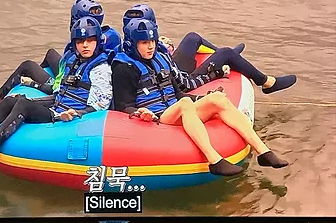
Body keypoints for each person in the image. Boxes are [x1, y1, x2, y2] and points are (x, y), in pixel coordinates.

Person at [111, 18, 289, 176]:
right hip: (158, 117)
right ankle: (214, 160)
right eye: (144, 42)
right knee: (185, 103)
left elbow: (178, 93)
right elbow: (123, 104)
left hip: (176, 110)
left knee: (217, 100)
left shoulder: (162, 58)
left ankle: (264, 152)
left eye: (152, 41)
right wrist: (140, 113)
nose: (150, 46)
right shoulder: (123, 67)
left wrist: (205, 98)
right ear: (132, 43)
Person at [0, 16, 113, 166]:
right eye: (80, 41)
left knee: (24, 105)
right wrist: (33, 85)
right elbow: (60, 89)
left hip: (67, 113)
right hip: (58, 103)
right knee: (12, 99)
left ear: (97, 41)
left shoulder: (100, 69)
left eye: (90, 41)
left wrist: (75, 114)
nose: (85, 45)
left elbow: (101, 103)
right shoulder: (74, 60)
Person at [121, 3, 297, 94]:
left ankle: (229, 57)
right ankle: (266, 82)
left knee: (192, 37)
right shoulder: (134, 52)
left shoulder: (140, 43)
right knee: (226, 52)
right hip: (177, 81)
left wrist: (166, 46)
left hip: (172, 68)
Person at [0, 0, 121, 107]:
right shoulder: (110, 34)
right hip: (80, 75)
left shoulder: (86, 43)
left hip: (77, 84)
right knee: (51, 53)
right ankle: (38, 79)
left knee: (28, 66)